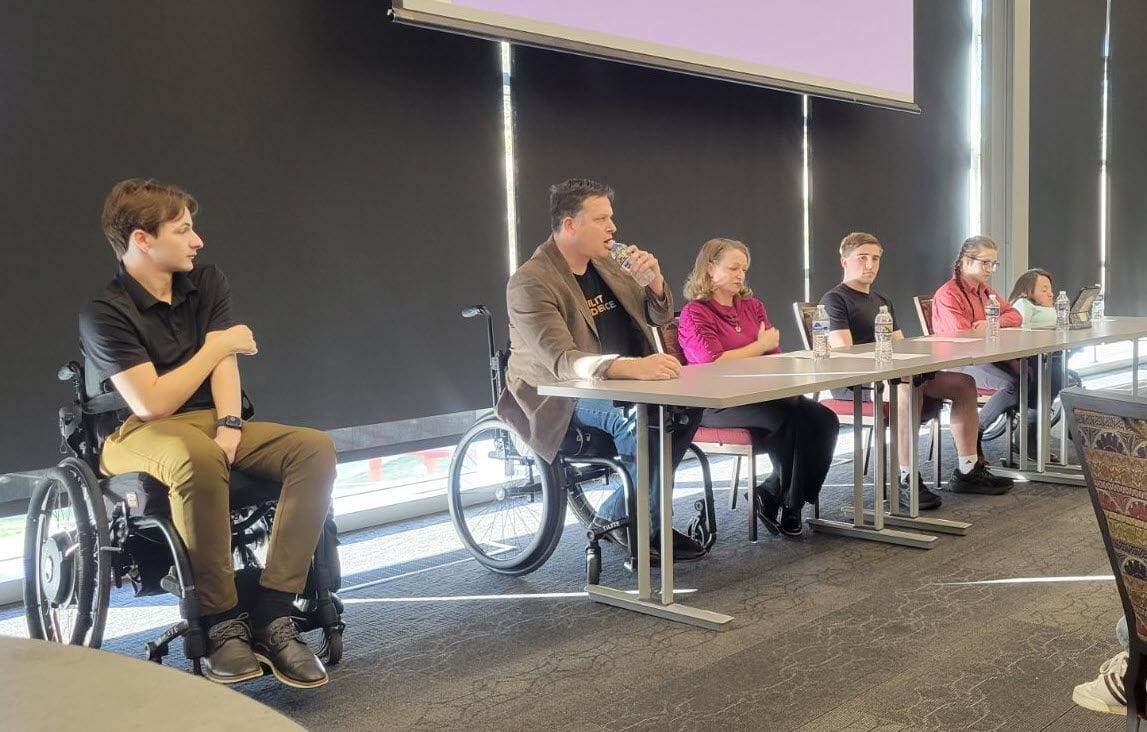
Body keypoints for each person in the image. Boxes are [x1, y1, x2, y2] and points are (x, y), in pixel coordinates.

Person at [81, 179, 334, 688]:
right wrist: (217, 348)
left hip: (209, 420)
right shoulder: (103, 312)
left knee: (314, 448)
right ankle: (222, 623)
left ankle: (272, 611)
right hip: (136, 432)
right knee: (196, 456)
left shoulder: (207, 281)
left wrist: (230, 423)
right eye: (184, 230)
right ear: (142, 239)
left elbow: (226, 368)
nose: (197, 241)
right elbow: (152, 402)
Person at [494, 178, 706, 561]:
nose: (613, 228)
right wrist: (632, 368)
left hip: (624, 384)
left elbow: (657, 316)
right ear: (570, 225)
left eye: (611, 218)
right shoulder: (531, 282)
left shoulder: (611, 264)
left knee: (689, 406)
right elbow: (563, 361)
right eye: (601, 219)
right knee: (636, 419)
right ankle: (647, 532)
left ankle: (615, 515)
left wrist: (655, 283)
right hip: (562, 394)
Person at [820, 232, 1013, 505]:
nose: (870, 264)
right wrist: (889, 375)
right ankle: (906, 477)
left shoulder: (881, 299)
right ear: (844, 262)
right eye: (862, 258)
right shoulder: (835, 300)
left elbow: (899, 343)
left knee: (963, 384)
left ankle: (969, 469)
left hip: (892, 373)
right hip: (854, 382)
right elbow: (845, 354)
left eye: (875, 258)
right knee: (907, 387)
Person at [676, 238, 839, 536]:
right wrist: (760, 344)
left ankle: (775, 494)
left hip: (761, 396)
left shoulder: (753, 307)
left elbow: (772, 355)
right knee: (789, 416)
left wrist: (772, 355)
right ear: (710, 269)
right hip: (715, 403)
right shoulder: (695, 313)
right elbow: (711, 362)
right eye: (733, 268)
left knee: (823, 419)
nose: (740, 275)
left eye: (744, 269)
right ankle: (787, 505)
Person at [932, 236, 1065, 455]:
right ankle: (973, 435)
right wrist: (986, 327)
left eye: (994, 263)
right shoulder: (949, 294)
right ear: (966, 261)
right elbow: (964, 335)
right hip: (961, 361)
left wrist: (992, 322)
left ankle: (1027, 438)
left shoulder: (985, 291)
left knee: (1051, 372)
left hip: (990, 356)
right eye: (986, 263)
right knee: (1016, 381)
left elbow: (1014, 315)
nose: (991, 269)